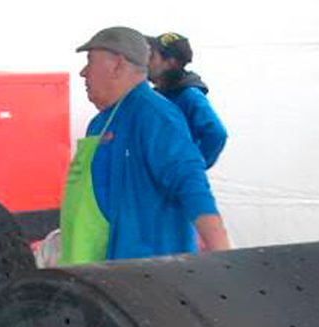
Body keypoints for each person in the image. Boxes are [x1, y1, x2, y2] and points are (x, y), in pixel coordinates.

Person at [60, 26, 229, 265]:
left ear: (117, 65)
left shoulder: (156, 115)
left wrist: (223, 257)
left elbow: (192, 183)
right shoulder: (100, 123)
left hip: (146, 272)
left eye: (90, 61)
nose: (83, 72)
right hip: (95, 271)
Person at [147, 32, 228, 168]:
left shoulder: (188, 95)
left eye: (152, 56)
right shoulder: (155, 96)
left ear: (170, 63)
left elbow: (216, 133)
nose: (146, 61)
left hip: (171, 185)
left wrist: (190, 170)